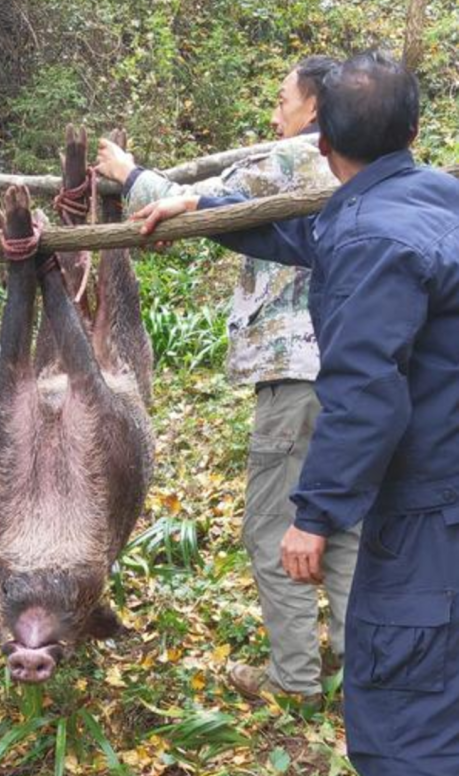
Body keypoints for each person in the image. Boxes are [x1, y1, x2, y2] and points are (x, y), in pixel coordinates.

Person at [135, 51, 459, 776]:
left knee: (405, 699)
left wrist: (315, 516)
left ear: (320, 140)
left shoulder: (373, 238)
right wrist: (201, 209)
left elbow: (366, 392)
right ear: (415, 132)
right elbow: (301, 232)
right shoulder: (428, 198)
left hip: (432, 508)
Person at [97, 56, 359, 707]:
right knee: (349, 524)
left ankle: (295, 680)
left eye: (283, 100)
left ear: (315, 112)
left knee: (276, 525)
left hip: (296, 379)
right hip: (354, 375)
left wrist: (126, 174)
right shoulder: (363, 168)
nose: (275, 114)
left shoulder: (295, 159)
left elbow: (200, 203)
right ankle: (365, 673)